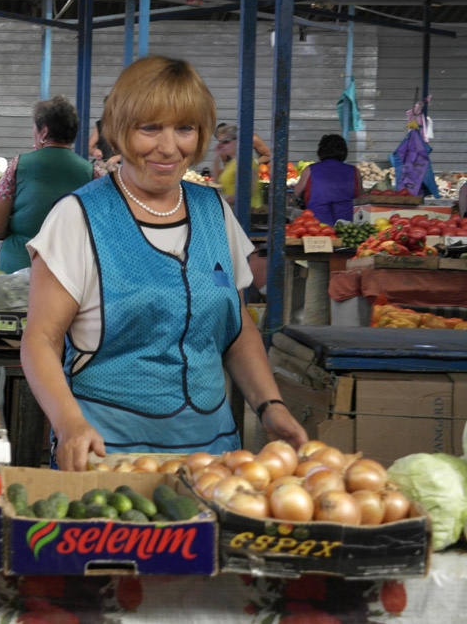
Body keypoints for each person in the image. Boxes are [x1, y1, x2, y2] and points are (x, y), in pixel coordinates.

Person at [21, 55, 308, 471]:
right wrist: (69, 424)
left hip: (212, 458)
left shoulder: (213, 211)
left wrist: (270, 405)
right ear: (121, 130)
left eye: (184, 128)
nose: (169, 147)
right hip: (108, 456)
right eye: (149, 127)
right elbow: (40, 340)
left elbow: (235, 325)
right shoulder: (79, 217)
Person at [0, 95, 95, 274]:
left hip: (20, 267)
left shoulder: (18, 165)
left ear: (44, 131)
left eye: (34, 127)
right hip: (69, 270)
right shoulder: (91, 173)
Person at [292, 134, 363, 226]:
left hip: (316, 224)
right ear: (344, 151)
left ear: (321, 150)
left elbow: (297, 192)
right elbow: (361, 196)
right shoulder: (354, 171)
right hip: (347, 224)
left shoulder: (310, 170)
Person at [214, 123, 269, 209]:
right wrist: (216, 156)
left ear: (236, 141)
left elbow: (250, 189)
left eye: (226, 141)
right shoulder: (232, 162)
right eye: (220, 142)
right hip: (233, 210)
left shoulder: (247, 161)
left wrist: (228, 200)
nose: (221, 145)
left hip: (248, 212)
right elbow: (216, 180)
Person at [88, 96, 122, 176]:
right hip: (104, 167)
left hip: (122, 168)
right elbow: (89, 146)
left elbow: (134, 151)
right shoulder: (100, 125)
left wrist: (118, 157)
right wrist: (94, 151)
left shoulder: (126, 126)